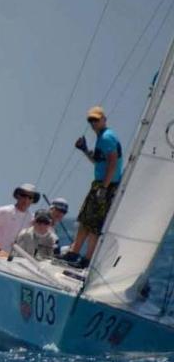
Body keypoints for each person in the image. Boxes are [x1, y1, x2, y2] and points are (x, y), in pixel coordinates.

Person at [64, 106, 123, 265]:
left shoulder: (106, 137)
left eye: (96, 119)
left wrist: (104, 187)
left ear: (104, 119)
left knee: (95, 224)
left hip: (106, 185)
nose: (93, 123)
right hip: (101, 183)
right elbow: (99, 162)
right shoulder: (101, 137)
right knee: (85, 220)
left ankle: (86, 258)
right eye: (90, 120)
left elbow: (112, 162)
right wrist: (84, 150)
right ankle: (74, 253)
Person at [0, 183, 39, 252]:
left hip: (15, 260)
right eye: (23, 195)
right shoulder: (4, 211)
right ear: (17, 196)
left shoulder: (32, 219)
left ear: (33, 200)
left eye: (30, 197)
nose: (26, 199)